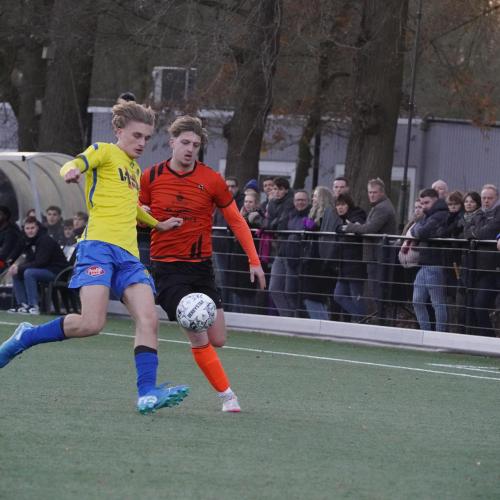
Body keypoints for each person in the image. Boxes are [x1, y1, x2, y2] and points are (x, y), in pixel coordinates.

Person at [0, 96, 188, 414]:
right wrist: (72, 170)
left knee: (149, 318)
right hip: (97, 248)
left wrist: (159, 224)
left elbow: (132, 207)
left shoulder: (134, 169)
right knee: (91, 323)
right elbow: (75, 163)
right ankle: (27, 337)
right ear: (119, 130)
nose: (142, 143)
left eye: (146, 137)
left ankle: (147, 393)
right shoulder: (103, 151)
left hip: (128, 256)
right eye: (137, 135)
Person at [139, 115, 266, 413]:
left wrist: (254, 260)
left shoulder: (211, 179)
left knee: (217, 338)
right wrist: (151, 220)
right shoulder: (150, 177)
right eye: (185, 142)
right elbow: (138, 214)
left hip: (201, 268)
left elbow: (236, 220)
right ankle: (228, 397)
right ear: (172, 142)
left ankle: (218, 381)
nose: (190, 149)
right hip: (167, 269)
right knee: (197, 326)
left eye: (195, 145)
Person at [343, 178, 397, 321]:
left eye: (374, 192)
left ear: (382, 192)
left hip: (378, 256)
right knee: (376, 291)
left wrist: (350, 227)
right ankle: (379, 319)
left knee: (378, 290)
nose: (371, 195)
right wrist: (358, 227)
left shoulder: (382, 208)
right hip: (375, 255)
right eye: (370, 192)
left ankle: (382, 322)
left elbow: (370, 229)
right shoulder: (379, 206)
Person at [7, 216, 68, 314]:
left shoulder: (45, 239)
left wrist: (20, 267)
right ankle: (22, 304)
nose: (30, 231)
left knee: (28, 272)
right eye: (27, 228)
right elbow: (17, 255)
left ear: (37, 228)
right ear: (24, 229)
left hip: (56, 271)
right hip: (43, 269)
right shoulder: (28, 240)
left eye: (32, 228)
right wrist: (13, 265)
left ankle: (33, 306)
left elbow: (41, 262)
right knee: (16, 272)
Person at [410, 188, 450, 332]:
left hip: (435, 262)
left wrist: (419, 227)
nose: (423, 206)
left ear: (435, 200)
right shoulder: (429, 215)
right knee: (417, 300)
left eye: (426, 203)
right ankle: (425, 331)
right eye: (421, 203)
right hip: (425, 262)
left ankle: (439, 334)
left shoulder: (439, 214)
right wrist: (419, 228)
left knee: (437, 302)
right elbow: (417, 231)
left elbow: (420, 232)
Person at [463, 184, 500, 336]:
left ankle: (490, 339)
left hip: (493, 267)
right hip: (479, 267)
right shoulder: (478, 214)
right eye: (484, 198)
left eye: (489, 198)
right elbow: (467, 232)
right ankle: (486, 339)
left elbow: (491, 231)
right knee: (475, 306)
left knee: (481, 305)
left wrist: (477, 233)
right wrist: (478, 233)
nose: (486, 201)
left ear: (497, 198)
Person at [301, 186, 335, 320]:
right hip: (311, 257)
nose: (313, 199)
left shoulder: (328, 213)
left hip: (319, 259)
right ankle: (320, 321)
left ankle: (322, 322)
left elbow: (323, 232)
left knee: (313, 296)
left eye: (316, 196)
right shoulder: (313, 212)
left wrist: (312, 226)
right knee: (310, 296)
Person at [333, 194, 367, 321]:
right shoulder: (343, 219)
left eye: (343, 204)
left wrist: (346, 228)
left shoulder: (358, 214)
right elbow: (339, 229)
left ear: (349, 205)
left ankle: (361, 321)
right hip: (344, 265)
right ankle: (360, 319)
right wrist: (344, 228)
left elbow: (357, 229)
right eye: (338, 205)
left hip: (355, 265)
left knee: (356, 297)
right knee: (338, 295)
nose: (340, 208)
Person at [0, 205, 22, 274]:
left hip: (6, 262)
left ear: (5, 216)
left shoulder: (11, 232)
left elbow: (4, 254)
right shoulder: (2, 230)